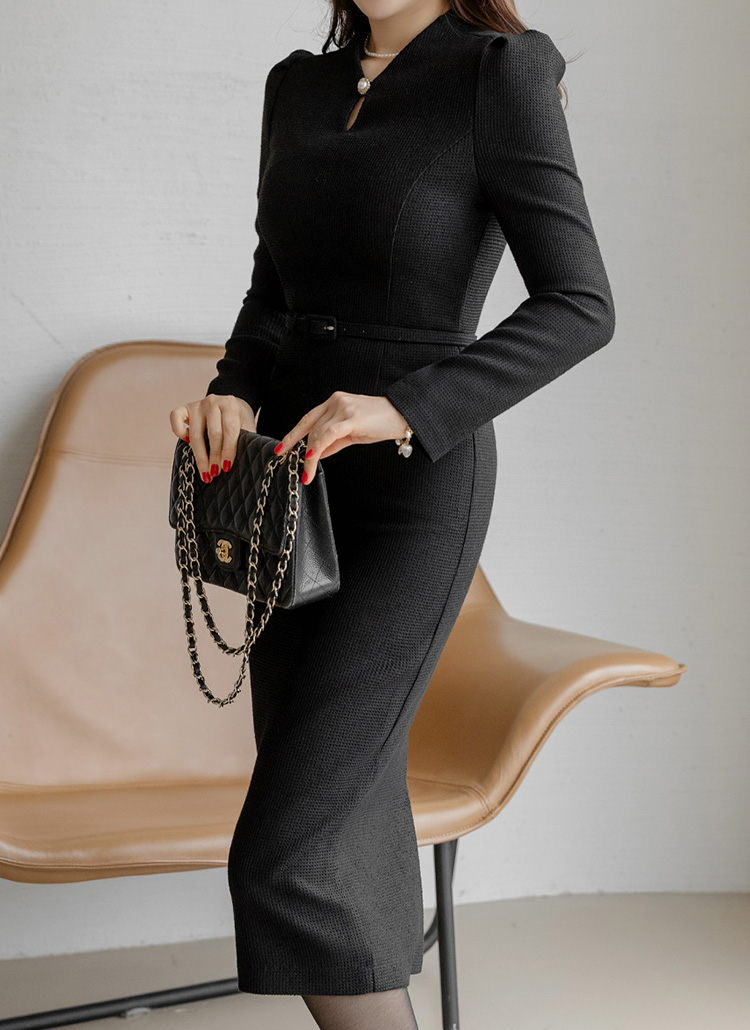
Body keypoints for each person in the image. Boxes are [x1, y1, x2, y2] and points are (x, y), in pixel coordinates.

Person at [169, 1, 615, 1027]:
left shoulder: (501, 72)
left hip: (413, 493)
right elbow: (272, 294)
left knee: (289, 846)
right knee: (339, 838)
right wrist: (232, 389)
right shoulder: (298, 85)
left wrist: (406, 406)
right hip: (288, 489)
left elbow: (581, 303)